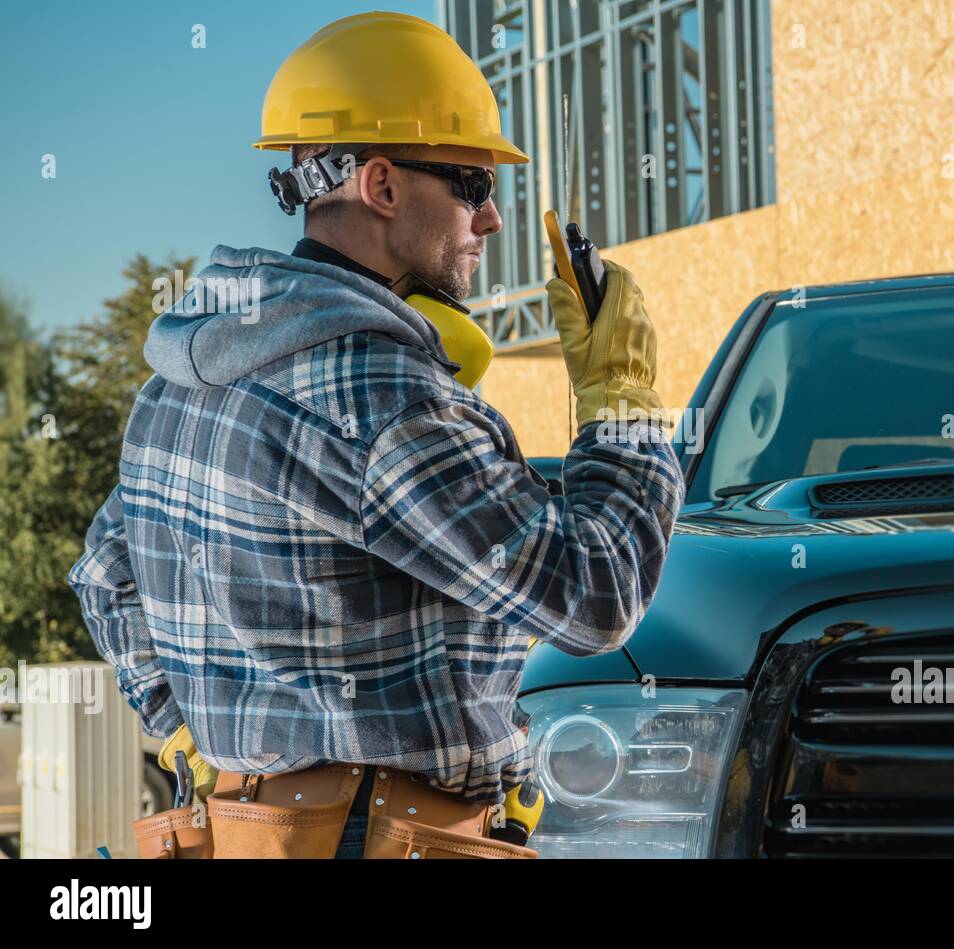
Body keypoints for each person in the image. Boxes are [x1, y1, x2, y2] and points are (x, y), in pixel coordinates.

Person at [67, 11, 683, 858]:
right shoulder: (382, 393)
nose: (491, 219)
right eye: (472, 184)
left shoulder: (181, 376)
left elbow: (105, 571)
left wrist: (182, 722)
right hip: (382, 834)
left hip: (247, 828)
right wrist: (624, 403)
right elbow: (596, 592)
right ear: (383, 186)